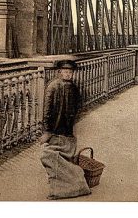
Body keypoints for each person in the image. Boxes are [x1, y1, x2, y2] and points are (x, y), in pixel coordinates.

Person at [40, 59, 91, 200]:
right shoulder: (52, 86)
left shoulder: (74, 87)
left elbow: (79, 105)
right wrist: (46, 130)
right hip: (54, 128)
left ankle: (62, 184)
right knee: (51, 155)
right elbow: (47, 111)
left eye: (70, 72)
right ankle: (62, 182)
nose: (68, 74)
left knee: (65, 155)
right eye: (65, 72)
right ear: (59, 72)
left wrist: (73, 120)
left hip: (68, 128)